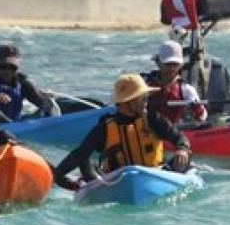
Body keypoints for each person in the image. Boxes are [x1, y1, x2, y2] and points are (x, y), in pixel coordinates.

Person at [51, 73, 192, 188]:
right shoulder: (105, 128)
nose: (146, 101)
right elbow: (78, 155)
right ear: (128, 101)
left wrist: (182, 149)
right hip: (117, 182)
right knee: (83, 158)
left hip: (155, 175)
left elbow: (179, 137)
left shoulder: (152, 118)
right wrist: (56, 177)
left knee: (185, 158)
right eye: (142, 97)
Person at [0, 44, 56, 122]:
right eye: (3, 66)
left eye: (12, 67)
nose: (7, 71)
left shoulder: (23, 83)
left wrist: (44, 113)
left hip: (14, 127)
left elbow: (44, 103)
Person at [143, 41, 207, 124]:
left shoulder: (186, 89)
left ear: (180, 66)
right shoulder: (145, 84)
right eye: (168, 64)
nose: (172, 68)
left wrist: (197, 108)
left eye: (175, 64)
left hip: (173, 132)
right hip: (147, 131)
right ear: (158, 63)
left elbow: (202, 117)